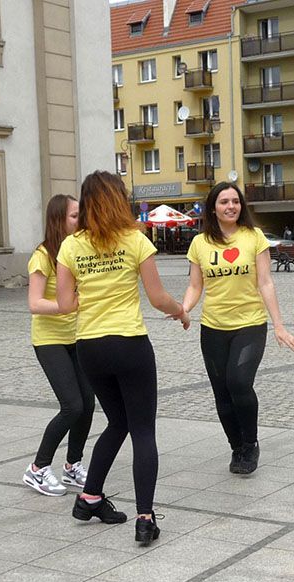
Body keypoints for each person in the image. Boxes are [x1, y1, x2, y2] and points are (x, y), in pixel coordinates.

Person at [56, 170, 189, 546]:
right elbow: (157, 298)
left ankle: (90, 497)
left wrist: (93, 291)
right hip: (129, 344)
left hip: (90, 347)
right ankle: (145, 518)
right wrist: (180, 310)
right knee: (143, 429)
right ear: (119, 200)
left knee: (118, 422)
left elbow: (65, 304)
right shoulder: (135, 240)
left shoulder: (70, 246)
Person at [182, 182, 294, 475]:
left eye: (235, 201)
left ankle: (251, 442)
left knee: (238, 382)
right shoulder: (200, 243)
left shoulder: (254, 237)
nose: (231, 206)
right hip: (213, 328)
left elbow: (265, 282)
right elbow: (195, 285)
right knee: (221, 393)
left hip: (250, 325)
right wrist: (184, 309)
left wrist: (279, 326)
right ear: (213, 208)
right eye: (224, 202)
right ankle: (237, 447)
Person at [22, 195, 93, 497]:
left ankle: (72, 465)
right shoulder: (43, 255)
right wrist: (67, 306)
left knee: (87, 404)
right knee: (72, 406)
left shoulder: (77, 251)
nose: (81, 220)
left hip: (76, 336)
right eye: (75, 216)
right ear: (58, 220)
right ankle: (37, 468)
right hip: (49, 340)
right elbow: (35, 303)